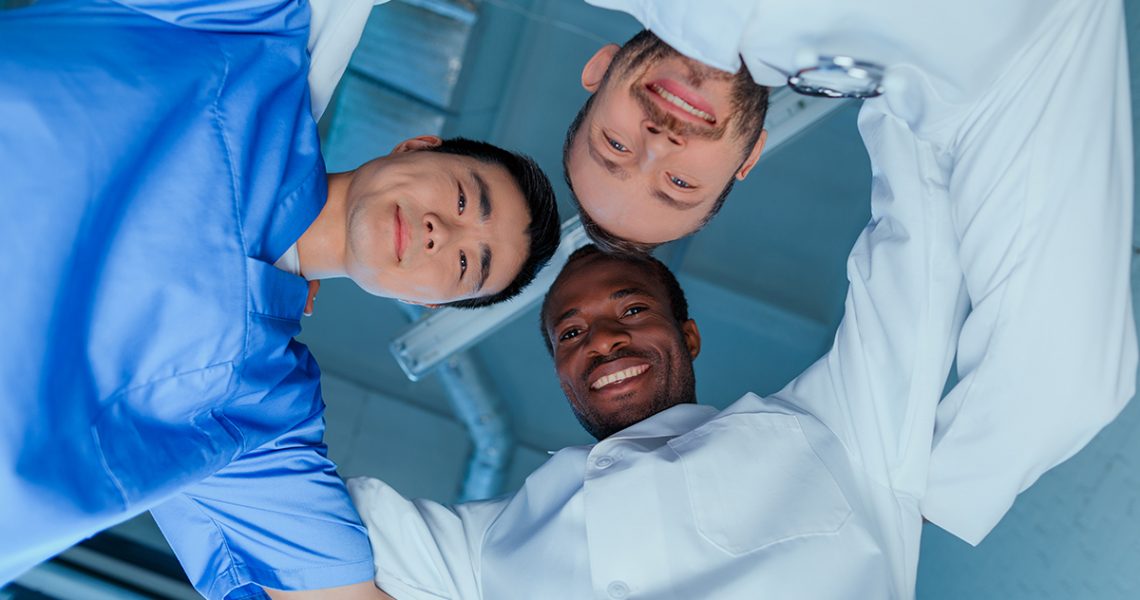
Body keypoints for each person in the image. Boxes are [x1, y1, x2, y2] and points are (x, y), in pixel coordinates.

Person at [0, 1, 558, 598]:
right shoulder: (247, 38)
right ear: (416, 147)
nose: (440, 233)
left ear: (430, 306)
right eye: (465, 200)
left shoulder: (258, 409)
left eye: (466, 265)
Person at [563, 0, 1136, 546]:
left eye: (615, 144)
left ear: (600, 67)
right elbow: (1058, 375)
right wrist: (892, 516)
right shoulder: (967, 97)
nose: (658, 147)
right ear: (749, 158)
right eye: (680, 184)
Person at [348, 236, 1132, 598]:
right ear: (562, 375)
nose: (605, 339)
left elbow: (915, 260)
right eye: (573, 333)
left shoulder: (834, 433)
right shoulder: (492, 548)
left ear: (687, 335)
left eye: (631, 308)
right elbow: (313, 523)